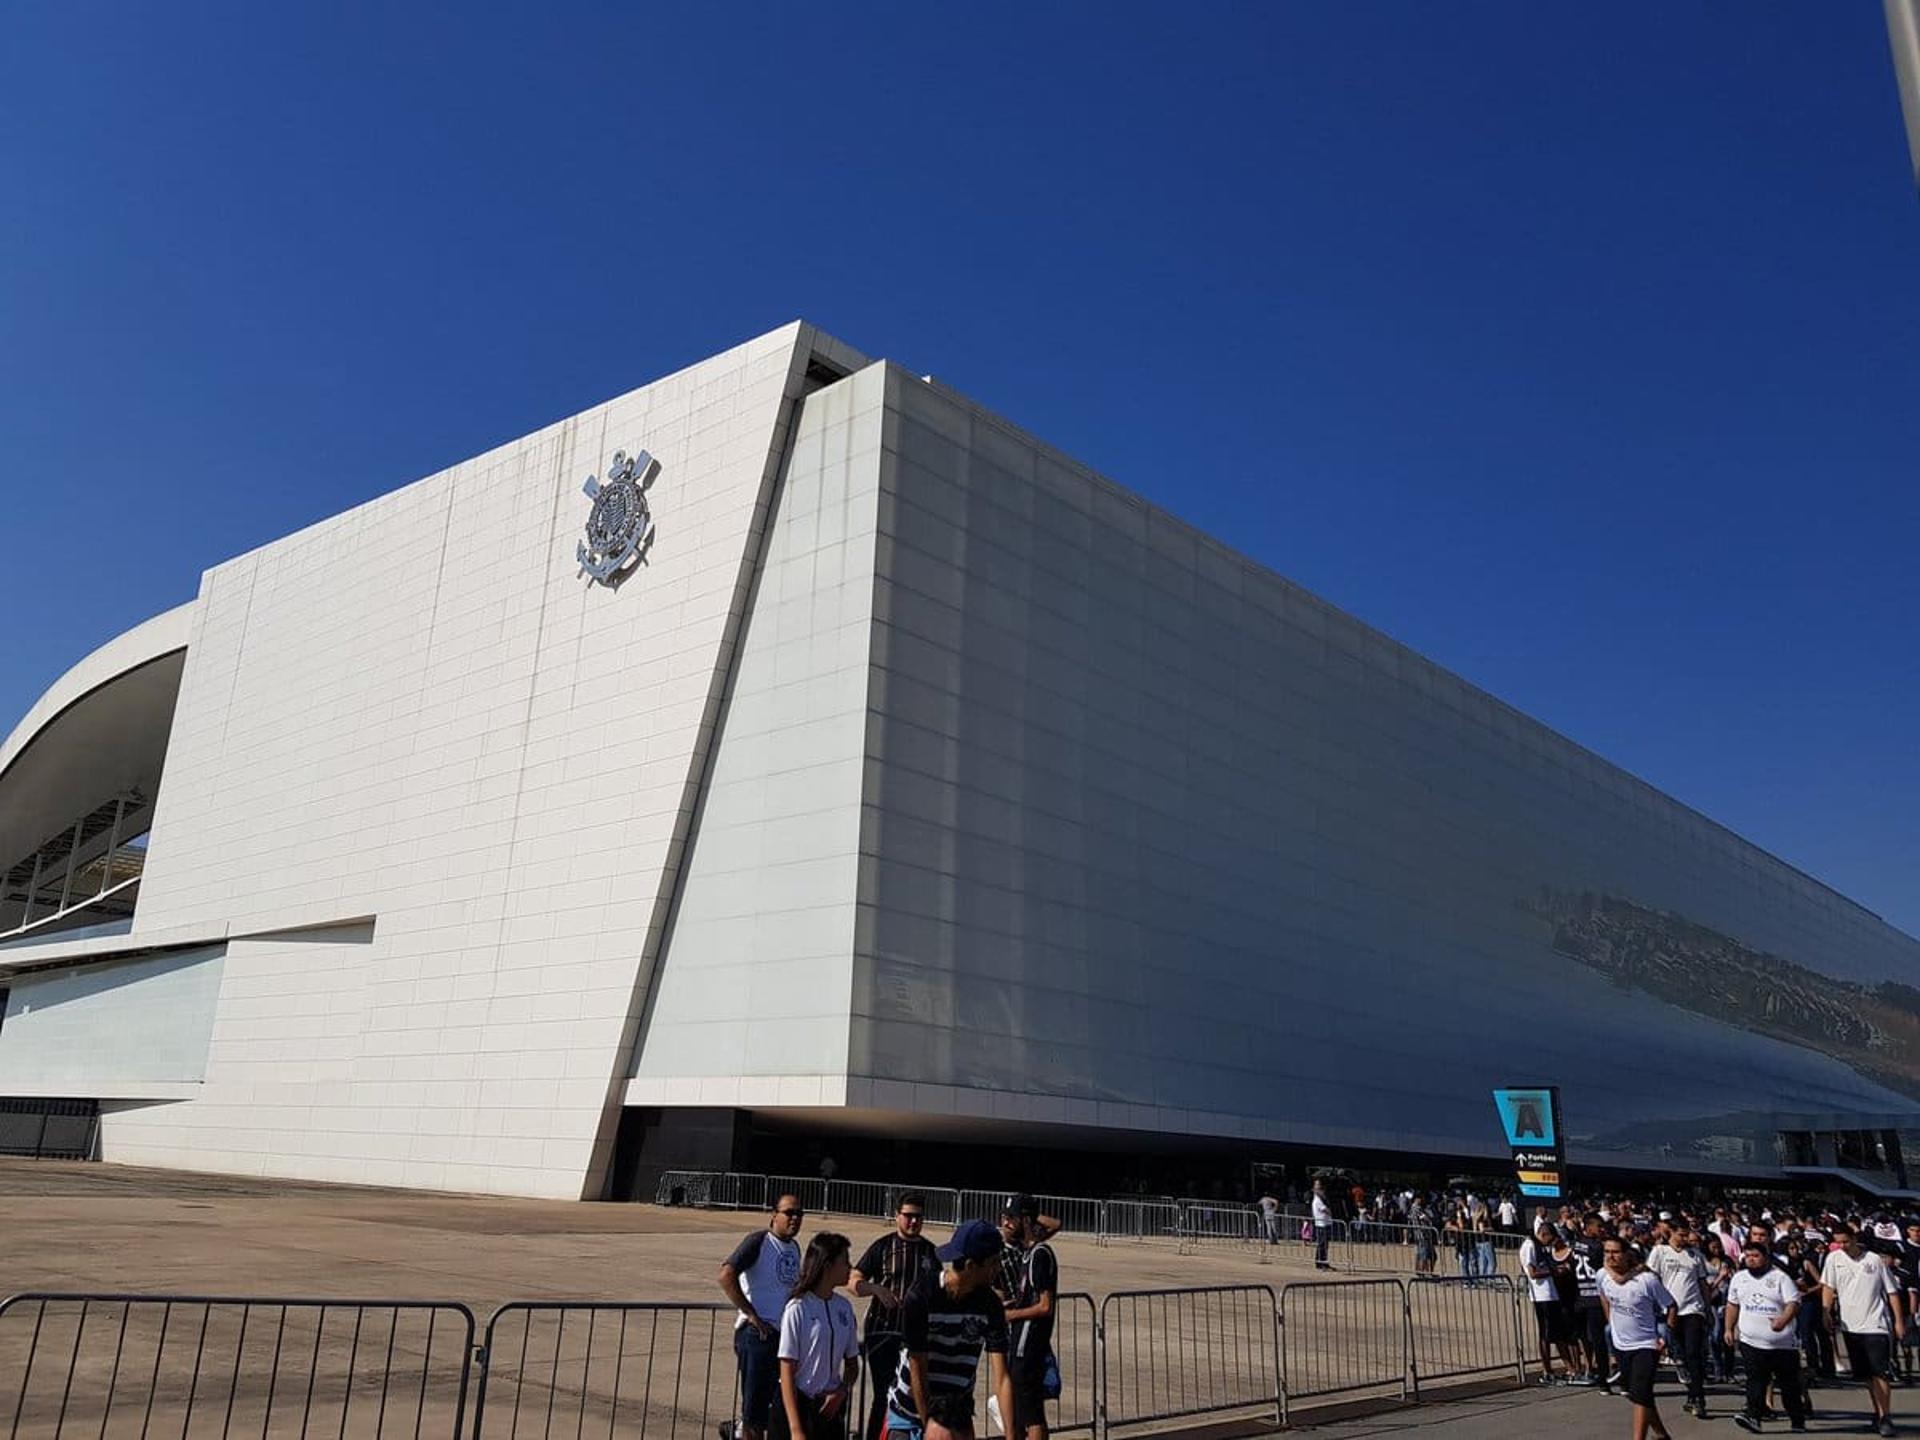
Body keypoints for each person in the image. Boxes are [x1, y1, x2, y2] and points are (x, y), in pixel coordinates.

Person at [884, 1219, 1017, 1440]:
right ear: (971, 1266)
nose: (998, 1269)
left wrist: (1012, 1436)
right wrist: (929, 1426)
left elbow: (1002, 1377)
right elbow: (918, 1367)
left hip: (956, 1415)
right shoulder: (922, 1295)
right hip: (911, 1414)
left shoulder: (990, 1304)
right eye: (993, 1262)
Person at [851, 1194, 941, 1440]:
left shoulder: (930, 1252)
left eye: (918, 1217)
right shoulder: (883, 1247)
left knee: (915, 1394)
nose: (913, 1221)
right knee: (884, 1394)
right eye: (908, 1216)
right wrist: (875, 1289)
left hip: (916, 1337)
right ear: (897, 1216)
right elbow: (854, 1279)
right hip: (883, 1331)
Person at [722, 1193, 807, 1440]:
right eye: (789, 1213)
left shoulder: (793, 1247)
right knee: (754, 1415)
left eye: (799, 1214)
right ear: (774, 1214)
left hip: (783, 1338)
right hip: (758, 1336)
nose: (795, 1218)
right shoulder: (759, 1241)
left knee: (777, 1408)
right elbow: (726, 1274)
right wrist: (750, 1313)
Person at [1820, 1220, 1906, 1439]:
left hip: (1875, 1324)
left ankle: (1886, 1416)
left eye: (1846, 1241)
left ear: (1855, 1238)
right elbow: (1829, 1287)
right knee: (1867, 1375)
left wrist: (1898, 1322)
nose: (1843, 1246)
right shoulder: (1833, 1259)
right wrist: (1826, 1311)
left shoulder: (1874, 1260)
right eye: (1838, 1242)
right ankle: (1877, 1412)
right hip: (1850, 1326)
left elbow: (1892, 1292)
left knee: (1880, 1373)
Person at [776, 1232, 860, 1440]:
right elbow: (787, 1371)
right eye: (844, 1262)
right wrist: (796, 1430)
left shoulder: (844, 1308)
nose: (849, 1267)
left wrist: (841, 1392)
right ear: (827, 1265)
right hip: (799, 1405)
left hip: (830, 1406)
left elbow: (852, 1364)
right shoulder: (798, 1308)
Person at [1599, 1237, 1679, 1440]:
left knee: (1641, 1394)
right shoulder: (1602, 1276)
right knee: (1637, 1395)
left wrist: (1665, 1334)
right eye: (1607, 1252)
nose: (1610, 1256)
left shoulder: (1646, 1280)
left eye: (1615, 1252)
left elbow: (1670, 1305)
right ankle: (1661, 1434)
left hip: (1646, 1344)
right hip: (1621, 1345)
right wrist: (1611, 1322)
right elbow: (1604, 1296)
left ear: (1627, 1254)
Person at [1728, 1238, 1808, 1434]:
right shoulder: (1739, 1278)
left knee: (1789, 1385)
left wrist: (1783, 1320)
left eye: (1756, 1256)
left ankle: (1797, 1419)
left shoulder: (1780, 1278)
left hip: (1782, 1344)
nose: (1751, 1260)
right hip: (1751, 1342)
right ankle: (1754, 1417)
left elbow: (1794, 1303)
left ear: (1766, 1258)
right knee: (1755, 1381)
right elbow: (1733, 1304)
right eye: (1748, 1256)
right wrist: (1728, 1329)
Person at [998, 1195, 1059, 1440]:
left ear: (1025, 1220)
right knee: (1027, 1409)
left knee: (1032, 1412)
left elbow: (1045, 1306)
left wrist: (1012, 1314)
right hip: (1020, 1340)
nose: (1006, 1222)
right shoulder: (1027, 1252)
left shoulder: (1040, 1254)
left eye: (1012, 1218)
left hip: (1030, 1341)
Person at [1648, 1220, 1711, 1417]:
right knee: (1680, 1355)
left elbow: (1702, 1284)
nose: (1685, 1239)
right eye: (1681, 1235)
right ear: (1671, 1233)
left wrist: (1707, 1309)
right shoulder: (1660, 1252)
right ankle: (1691, 1393)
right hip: (1668, 1310)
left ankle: (1698, 1397)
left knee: (1694, 1353)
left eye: (1687, 1235)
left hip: (1693, 1309)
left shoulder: (1695, 1255)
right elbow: (1651, 1279)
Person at [1521, 1220, 1566, 1380]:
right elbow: (1532, 1273)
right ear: (1544, 1234)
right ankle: (1547, 1371)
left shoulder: (1539, 1245)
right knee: (1546, 1334)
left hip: (1549, 1293)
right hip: (1541, 1295)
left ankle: (1560, 1368)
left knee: (1554, 1332)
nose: (1549, 1243)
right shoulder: (1530, 1245)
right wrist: (1553, 1271)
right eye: (1549, 1239)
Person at [1573, 1213, 1613, 1389]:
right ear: (1589, 1227)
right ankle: (1603, 1377)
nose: (1602, 1230)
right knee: (1600, 1340)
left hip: (1581, 1297)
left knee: (1589, 1339)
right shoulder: (1597, 1247)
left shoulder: (1575, 1244)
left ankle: (1595, 1371)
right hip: (1595, 1298)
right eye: (1599, 1227)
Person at [1311, 1180, 1334, 1271]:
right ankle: (1320, 1263)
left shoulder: (1322, 1199)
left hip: (1326, 1223)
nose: (1322, 1192)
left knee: (1325, 1245)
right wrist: (1330, 1212)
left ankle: (1324, 1262)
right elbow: (1324, 1209)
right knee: (1322, 1244)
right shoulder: (1317, 1200)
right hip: (1321, 1224)